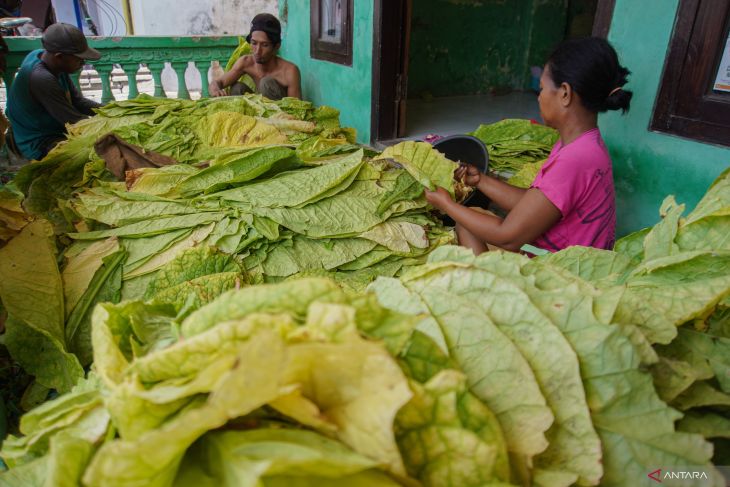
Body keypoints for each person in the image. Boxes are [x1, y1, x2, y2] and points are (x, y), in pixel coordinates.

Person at [425, 37, 632, 254]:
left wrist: (447, 204)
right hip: (566, 259)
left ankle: (490, 287)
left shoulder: (575, 160)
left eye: (541, 89)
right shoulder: (582, 143)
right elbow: (534, 205)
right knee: (473, 216)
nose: (539, 98)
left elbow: (507, 238)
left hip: (563, 276)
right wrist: (480, 180)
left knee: (467, 224)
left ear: (564, 93)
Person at [6, 23, 102, 161]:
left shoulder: (45, 58)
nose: (83, 62)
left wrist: (113, 110)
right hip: (39, 141)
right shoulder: (42, 79)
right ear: (59, 56)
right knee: (99, 154)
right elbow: (74, 121)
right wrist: (116, 124)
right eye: (79, 58)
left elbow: (77, 101)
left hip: (55, 127)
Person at [209, 13, 301, 100]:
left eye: (265, 45)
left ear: (276, 46)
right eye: (254, 43)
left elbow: (296, 109)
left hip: (280, 113)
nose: (257, 51)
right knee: (237, 88)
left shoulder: (290, 71)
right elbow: (218, 82)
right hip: (257, 112)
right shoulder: (245, 62)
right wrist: (215, 90)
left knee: (266, 83)